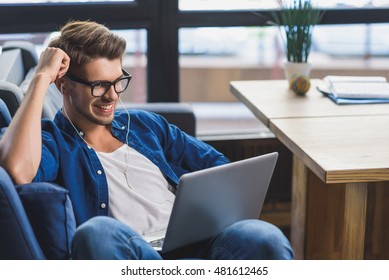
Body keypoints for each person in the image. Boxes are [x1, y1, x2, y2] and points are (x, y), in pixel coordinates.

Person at [0, 20, 293, 260]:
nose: (113, 95)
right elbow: (15, 170)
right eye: (100, 85)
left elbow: (220, 167)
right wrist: (41, 77)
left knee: (262, 236)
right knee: (97, 232)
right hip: (137, 255)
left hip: (199, 244)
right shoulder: (52, 142)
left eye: (118, 81)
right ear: (63, 83)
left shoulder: (144, 125)